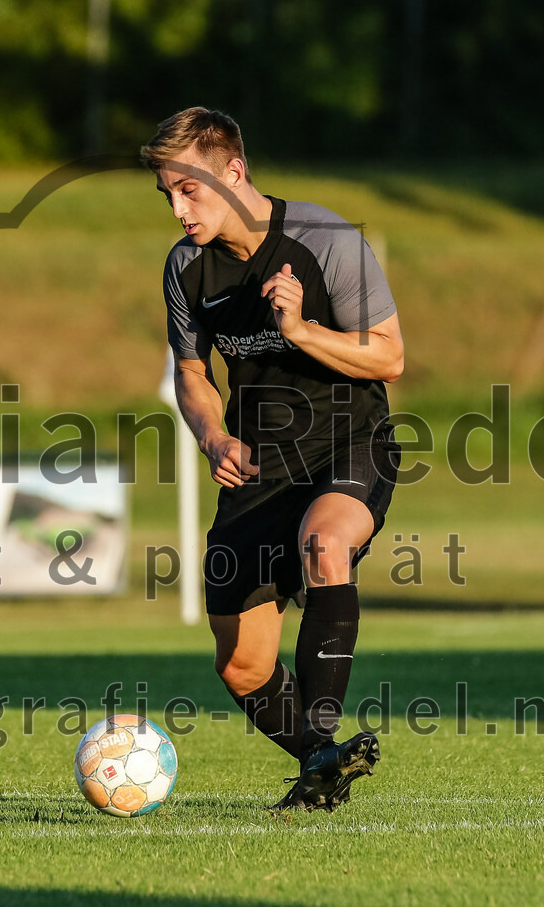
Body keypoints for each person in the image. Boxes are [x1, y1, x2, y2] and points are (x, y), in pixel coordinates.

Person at [141, 107, 404, 814]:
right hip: (258, 470)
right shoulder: (186, 267)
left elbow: (390, 355)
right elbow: (192, 374)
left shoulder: (325, 239)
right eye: (166, 193)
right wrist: (212, 437)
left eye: (188, 190)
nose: (177, 208)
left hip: (349, 442)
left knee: (325, 542)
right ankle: (320, 763)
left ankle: (320, 739)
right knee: (241, 665)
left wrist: (301, 328)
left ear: (233, 172)